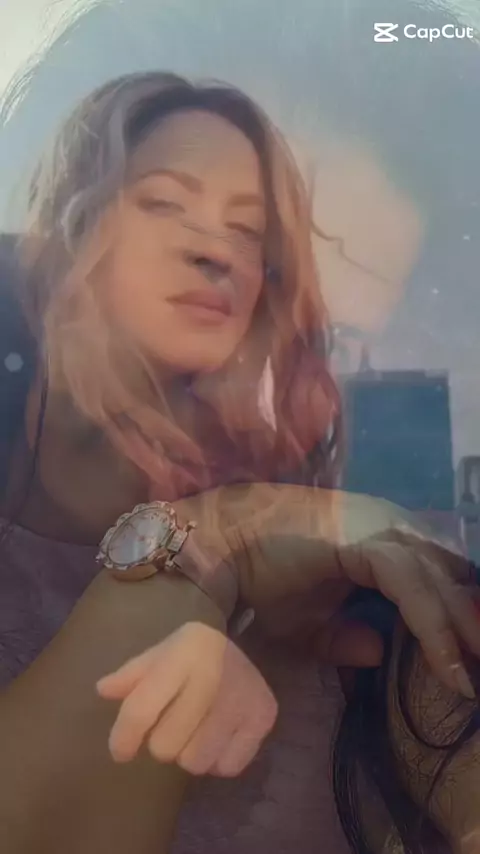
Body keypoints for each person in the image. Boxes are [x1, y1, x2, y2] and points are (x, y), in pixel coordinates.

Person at [0, 71, 479, 854]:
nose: (212, 248)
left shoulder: (335, 577)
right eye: (164, 202)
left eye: (249, 232)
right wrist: (217, 535)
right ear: (73, 229)